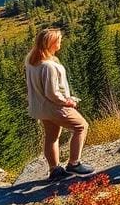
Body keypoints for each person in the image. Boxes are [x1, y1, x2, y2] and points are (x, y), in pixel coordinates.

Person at [24, 28, 95, 180]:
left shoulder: (32, 59)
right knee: (81, 126)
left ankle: (55, 170)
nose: (60, 42)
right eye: (58, 40)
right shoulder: (48, 66)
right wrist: (68, 102)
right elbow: (52, 93)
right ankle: (74, 164)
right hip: (54, 107)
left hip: (40, 108)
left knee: (51, 136)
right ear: (51, 43)